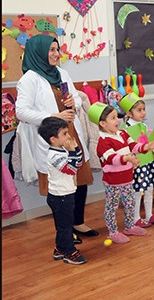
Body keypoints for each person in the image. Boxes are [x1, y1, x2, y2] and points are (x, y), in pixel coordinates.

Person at [15, 34, 98, 239]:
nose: (56, 54)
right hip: (52, 139)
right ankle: (65, 232)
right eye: (51, 50)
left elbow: (77, 99)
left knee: (79, 179)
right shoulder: (29, 79)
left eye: (57, 49)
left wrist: (73, 103)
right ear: (39, 52)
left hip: (71, 133)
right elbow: (21, 112)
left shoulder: (61, 72)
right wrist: (52, 116)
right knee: (60, 188)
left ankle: (78, 223)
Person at [88, 103, 154, 244]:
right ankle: (113, 232)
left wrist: (147, 146)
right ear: (102, 123)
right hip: (113, 182)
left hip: (127, 178)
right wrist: (127, 158)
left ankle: (129, 226)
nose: (118, 120)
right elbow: (111, 158)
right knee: (112, 206)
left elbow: (134, 146)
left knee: (130, 203)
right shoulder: (103, 141)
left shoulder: (122, 133)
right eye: (113, 118)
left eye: (117, 117)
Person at [38, 116, 87, 265]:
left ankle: (60, 248)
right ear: (53, 139)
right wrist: (72, 152)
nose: (68, 136)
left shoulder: (63, 150)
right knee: (65, 226)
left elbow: (78, 165)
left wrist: (75, 149)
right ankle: (69, 252)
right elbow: (71, 170)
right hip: (60, 197)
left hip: (66, 194)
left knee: (64, 225)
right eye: (64, 134)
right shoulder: (54, 155)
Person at [119, 93, 154, 227]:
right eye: (139, 110)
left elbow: (145, 142)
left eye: (143, 109)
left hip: (148, 162)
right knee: (137, 193)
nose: (143, 113)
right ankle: (136, 218)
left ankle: (149, 215)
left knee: (149, 189)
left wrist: (153, 150)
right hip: (137, 165)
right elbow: (127, 148)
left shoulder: (143, 125)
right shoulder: (125, 130)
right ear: (129, 113)